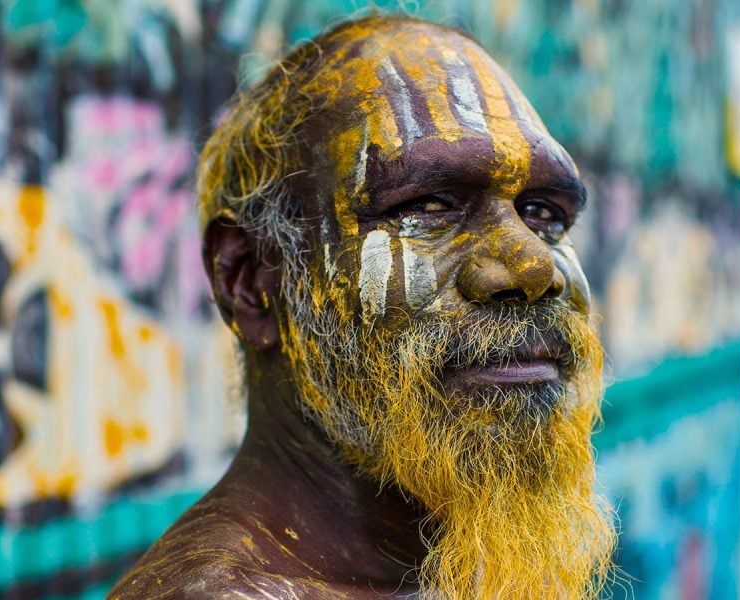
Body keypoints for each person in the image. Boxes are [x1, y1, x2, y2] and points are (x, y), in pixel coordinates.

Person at [110, 14, 615, 599]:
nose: (534, 268)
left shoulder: (458, 561)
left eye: (545, 213)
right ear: (249, 282)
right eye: (429, 204)